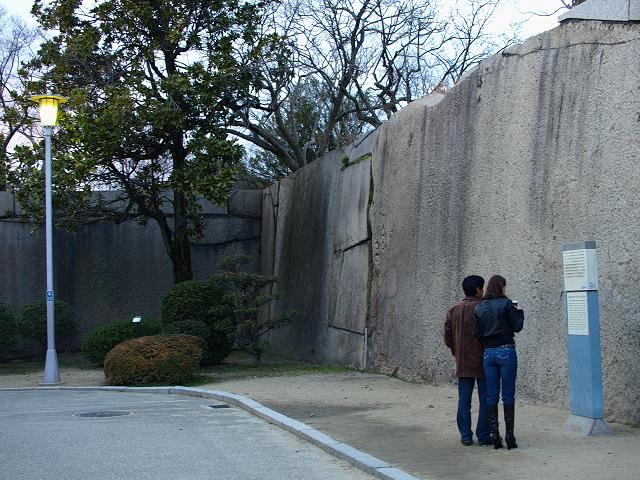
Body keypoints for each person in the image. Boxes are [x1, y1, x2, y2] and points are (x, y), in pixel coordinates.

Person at [473, 274, 524, 450]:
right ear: (501, 287)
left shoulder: (480, 307)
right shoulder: (507, 304)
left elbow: (476, 333)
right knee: (508, 394)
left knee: (491, 395)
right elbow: (517, 326)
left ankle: (495, 436)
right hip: (506, 350)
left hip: (489, 353)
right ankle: (510, 435)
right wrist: (520, 311)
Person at [444, 275, 490, 446]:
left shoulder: (454, 309)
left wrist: (456, 352)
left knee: (464, 400)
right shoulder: (482, 308)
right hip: (482, 360)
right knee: (485, 398)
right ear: (478, 289)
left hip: (462, 362)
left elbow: (447, 336)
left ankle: (466, 435)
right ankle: (483, 434)